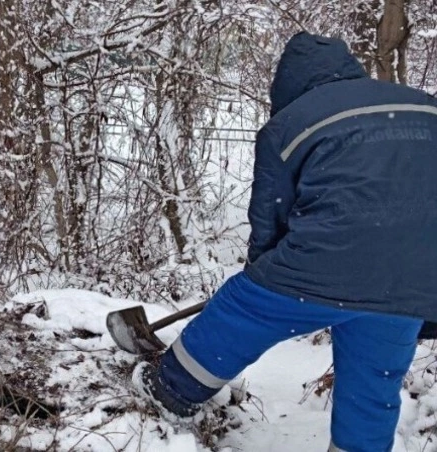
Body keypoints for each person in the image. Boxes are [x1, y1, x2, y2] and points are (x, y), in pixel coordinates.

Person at [138, 31, 437, 452]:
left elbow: (270, 214)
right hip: (415, 276)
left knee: (238, 313)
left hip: (329, 259)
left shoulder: (292, 122)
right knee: (375, 378)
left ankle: (172, 389)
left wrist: (262, 278)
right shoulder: (422, 106)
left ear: (288, 83)